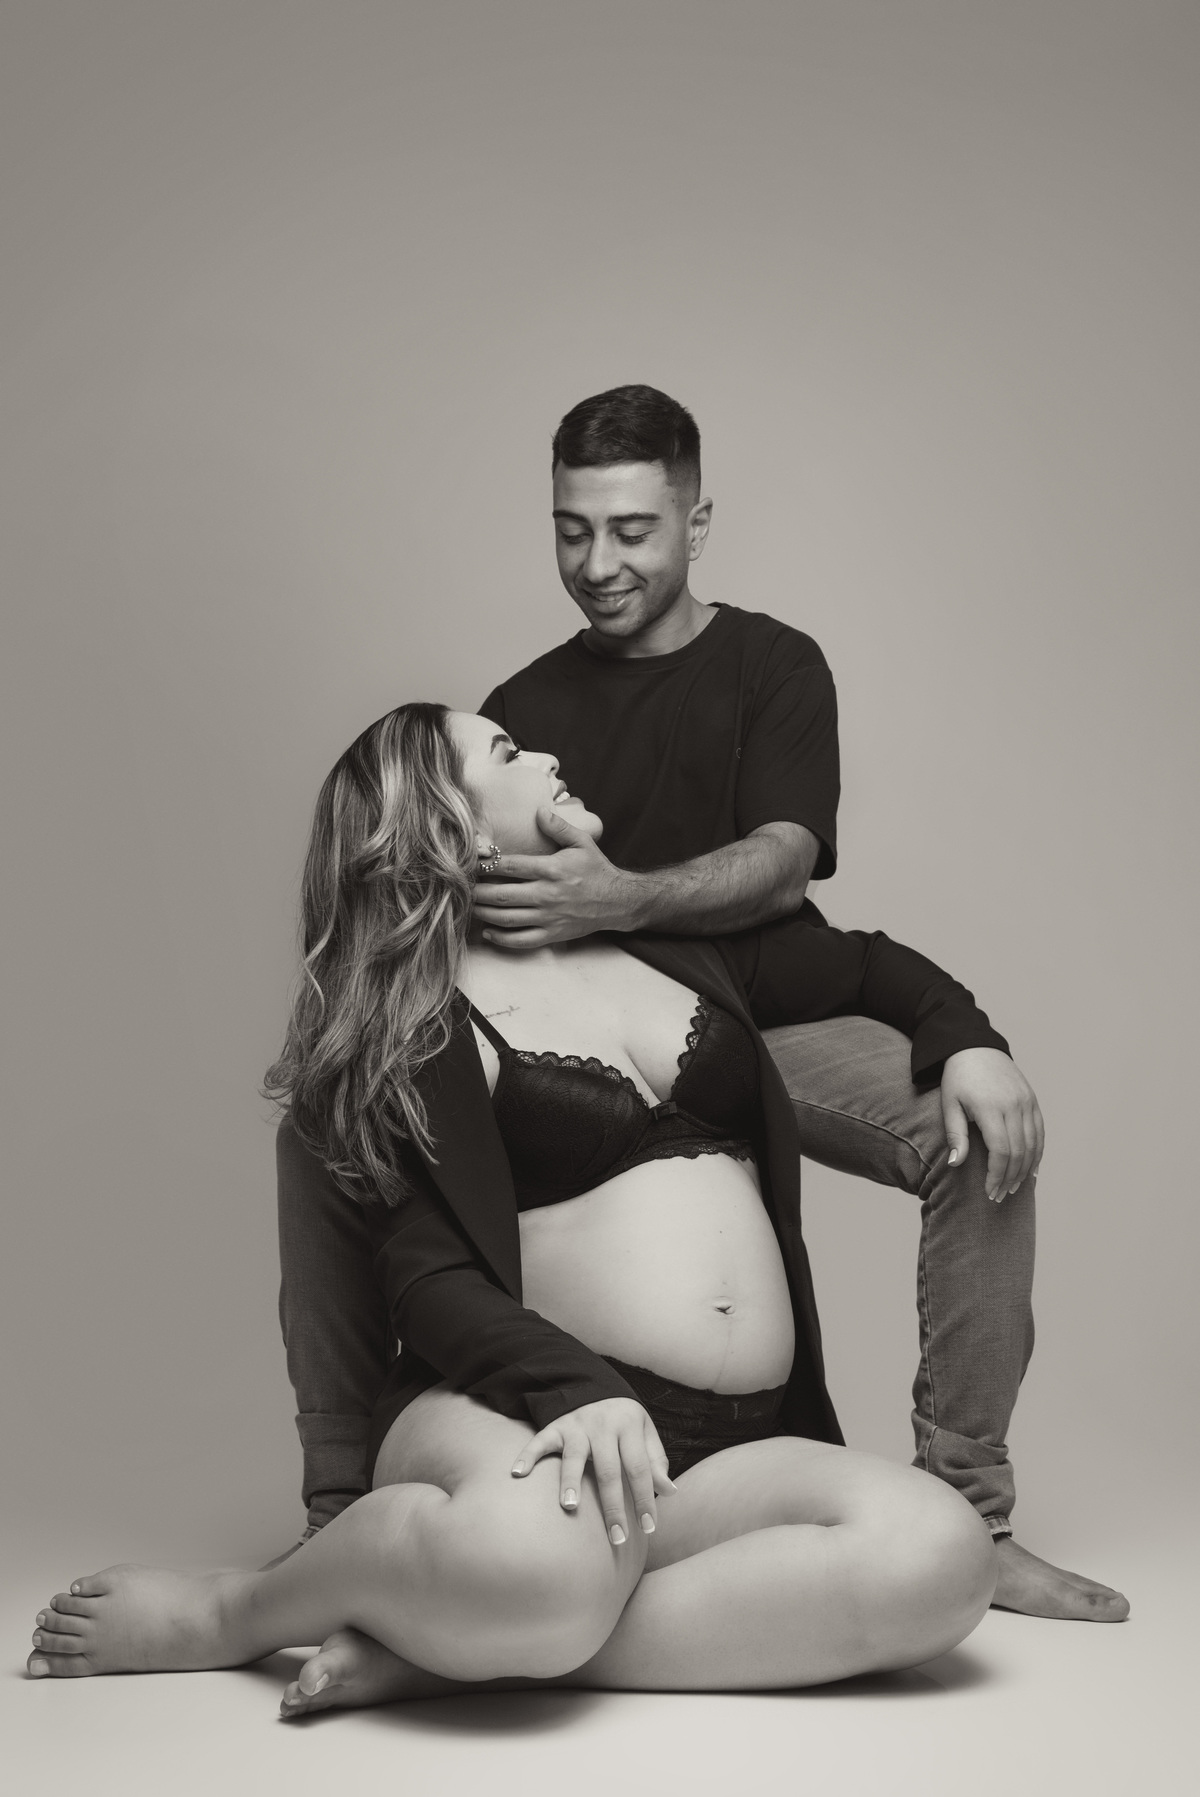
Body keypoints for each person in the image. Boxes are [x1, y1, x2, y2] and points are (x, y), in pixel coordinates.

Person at [27, 705, 1004, 1708]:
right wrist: (577, 1389)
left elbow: (862, 966)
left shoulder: (669, 943)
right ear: (445, 818)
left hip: (722, 1453)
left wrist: (970, 1041)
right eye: (506, 751)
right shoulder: (416, 1021)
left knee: (941, 1554)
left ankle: (449, 1650)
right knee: (533, 1563)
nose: (547, 753)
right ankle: (237, 1612)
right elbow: (426, 1280)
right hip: (517, 1413)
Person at [470, 385, 1128, 1624]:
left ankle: (972, 1520)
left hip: (773, 1017)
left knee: (978, 1140)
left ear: (696, 522)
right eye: (571, 529)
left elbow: (782, 866)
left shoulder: (774, 665)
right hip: (617, 1041)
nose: (598, 564)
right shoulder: (520, 715)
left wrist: (966, 1038)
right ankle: (479, 1515)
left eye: (631, 530)